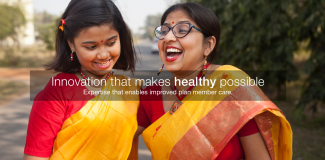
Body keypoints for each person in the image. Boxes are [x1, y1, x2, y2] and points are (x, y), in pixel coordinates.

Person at [135, 2, 292, 160]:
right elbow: (115, 136)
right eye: (164, 30)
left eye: (182, 30)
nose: (168, 37)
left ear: (208, 45)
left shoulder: (231, 88)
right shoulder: (150, 95)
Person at [24, 0, 140, 159]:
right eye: (91, 47)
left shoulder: (131, 90)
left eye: (111, 43)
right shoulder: (56, 94)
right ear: (71, 44)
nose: (103, 55)